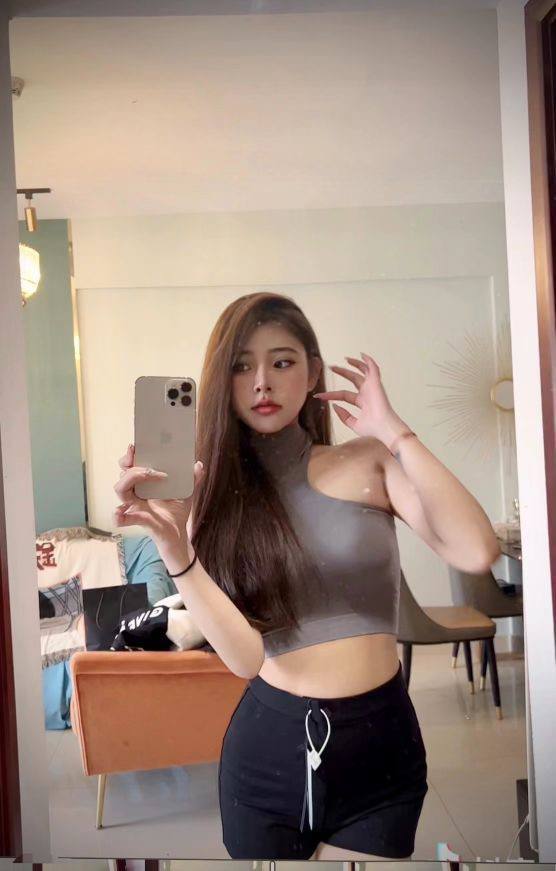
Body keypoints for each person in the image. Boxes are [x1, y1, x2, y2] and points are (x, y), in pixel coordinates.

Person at [113, 291, 501, 861]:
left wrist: (395, 431)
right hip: (266, 751)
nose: (262, 382)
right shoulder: (207, 497)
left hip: (382, 745)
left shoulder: (367, 461)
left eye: (282, 361)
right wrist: (175, 547)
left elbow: (476, 548)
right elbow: (244, 658)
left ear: (313, 371)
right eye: (241, 366)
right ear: (222, 380)